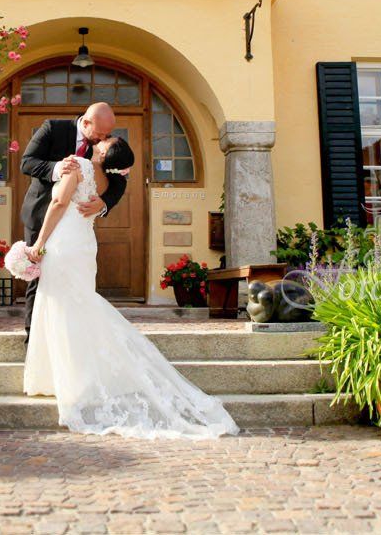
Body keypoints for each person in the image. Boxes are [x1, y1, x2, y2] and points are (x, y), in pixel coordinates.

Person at [21, 135, 240, 439]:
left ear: (104, 152)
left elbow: (58, 203)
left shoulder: (80, 165)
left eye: (106, 141)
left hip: (64, 241)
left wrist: (39, 243)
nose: (100, 140)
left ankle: (64, 380)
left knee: (60, 305)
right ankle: (69, 376)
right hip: (83, 244)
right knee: (75, 305)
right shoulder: (105, 179)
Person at [18, 102, 127, 345]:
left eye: (107, 135)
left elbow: (119, 181)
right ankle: (34, 339)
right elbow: (27, 162)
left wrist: (104, 203)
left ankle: (72, 340)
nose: (103, 139)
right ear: (86, 122)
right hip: (41, 214)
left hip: (73, 226)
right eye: (100, 133)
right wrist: (57, 168)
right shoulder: (53, 128)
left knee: (74, 283)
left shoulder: (105, 147)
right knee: (38, 278)